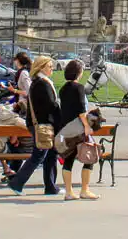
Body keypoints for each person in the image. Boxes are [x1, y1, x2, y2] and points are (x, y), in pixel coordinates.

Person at [9, 56, 61, 196]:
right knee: (39, 155)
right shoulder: (41, 83)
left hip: (40, 123)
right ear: (42, 67)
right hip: (42, 124)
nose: (52, 69)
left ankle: (50, 186)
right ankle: (17, 183)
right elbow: (50, 105)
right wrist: (61, 113)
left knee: (50, 154)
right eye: (50, 66)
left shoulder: (39, 82)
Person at [55, 59, 100, 200]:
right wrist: (87, 126)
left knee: (68, 160)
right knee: (89, 156)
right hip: (78, 127)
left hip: (66, 128)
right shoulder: (79, 88)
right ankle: (84, 190)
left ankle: (69, 192)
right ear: (79, 73)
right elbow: (81, 110)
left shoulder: (63, 89)